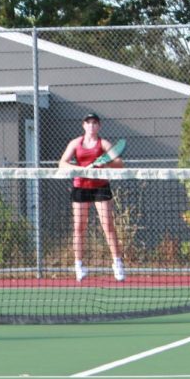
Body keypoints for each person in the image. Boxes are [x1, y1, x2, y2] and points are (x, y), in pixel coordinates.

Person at [58, 113, 125, 282]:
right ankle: (79, 266)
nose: (92, 126)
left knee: (108, 225)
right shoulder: (75, 143)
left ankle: (117, 264)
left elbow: (119, 163)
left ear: (99, 126)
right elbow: (62, 163)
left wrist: (105, 164)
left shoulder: (103, 143)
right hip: (81, 188)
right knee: (79, 227)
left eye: (95, 123)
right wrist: (78, 169)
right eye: (89, 123)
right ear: (84, 125)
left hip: (100, 188)